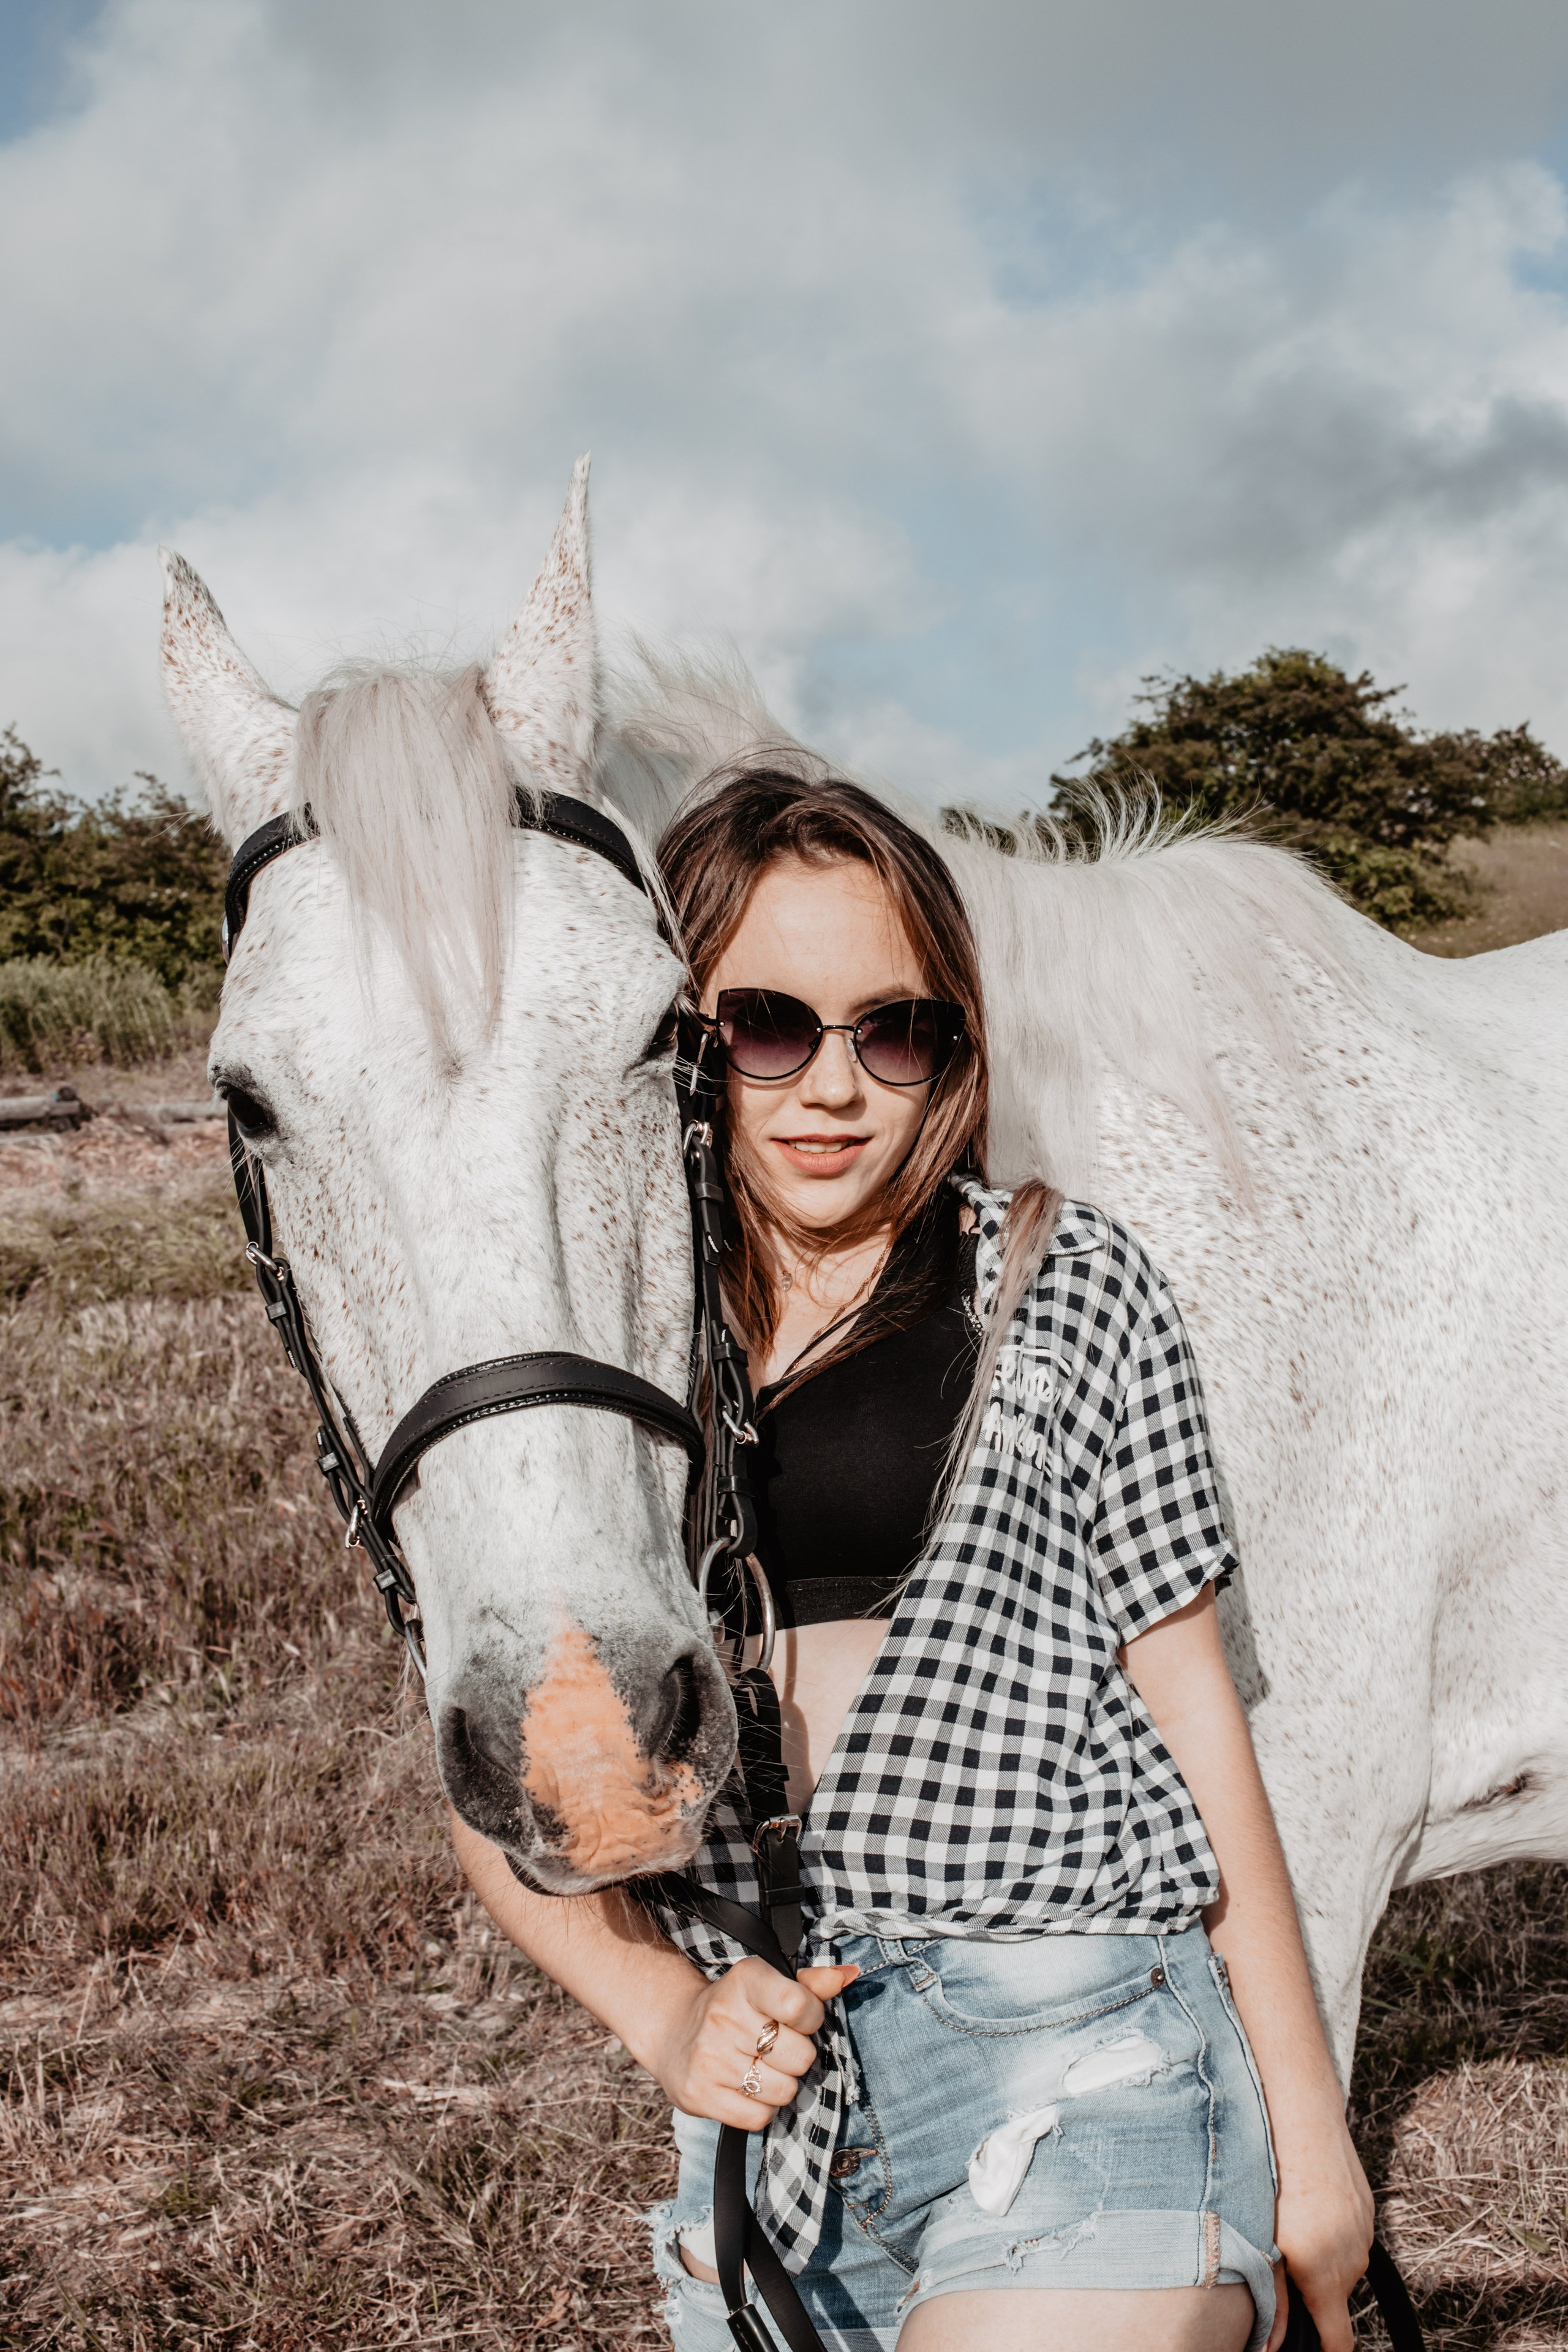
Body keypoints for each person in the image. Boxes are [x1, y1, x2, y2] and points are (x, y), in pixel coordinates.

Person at [454, 771, 1374, 2352]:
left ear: (952, 1048)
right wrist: (661, 2010)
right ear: (679, 1033)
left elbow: (1197, 1714)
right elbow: (504, 1771)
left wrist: (1313, 2130)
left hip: (1080, 2033)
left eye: (896, 1031)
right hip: (774, 2121)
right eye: (766, 1026)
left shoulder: (1062, 1282)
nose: (834, 1086)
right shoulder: (593, 1348)